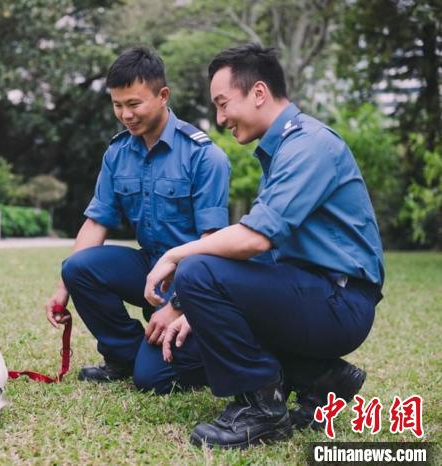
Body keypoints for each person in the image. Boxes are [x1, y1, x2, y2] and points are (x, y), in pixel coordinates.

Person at [144, 44, 384, 448]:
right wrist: (192, 308)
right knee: (189, 342)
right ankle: (323, 378)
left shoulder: (309, 145)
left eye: (223, 104)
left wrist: (174, 254)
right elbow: (264, 253)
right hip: (306, 290)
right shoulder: (281, 152)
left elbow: (256, 238)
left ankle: (262, 410)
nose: (220, 119)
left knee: (196, 269)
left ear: (258, 92)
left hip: (339, 301)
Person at [45, 47, 231, 395]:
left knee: (152, 380)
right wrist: (62, 288)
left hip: (193, 277)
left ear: (163, 96)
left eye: (134, 104)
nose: (125, 115)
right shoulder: (117, 152)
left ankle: (200, 353)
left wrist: (178, 305)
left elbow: (212, 245)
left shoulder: (205, 157)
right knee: (78, 267)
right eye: (117, 105)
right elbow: (97, 222)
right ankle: (126, 355)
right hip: (149, 267)